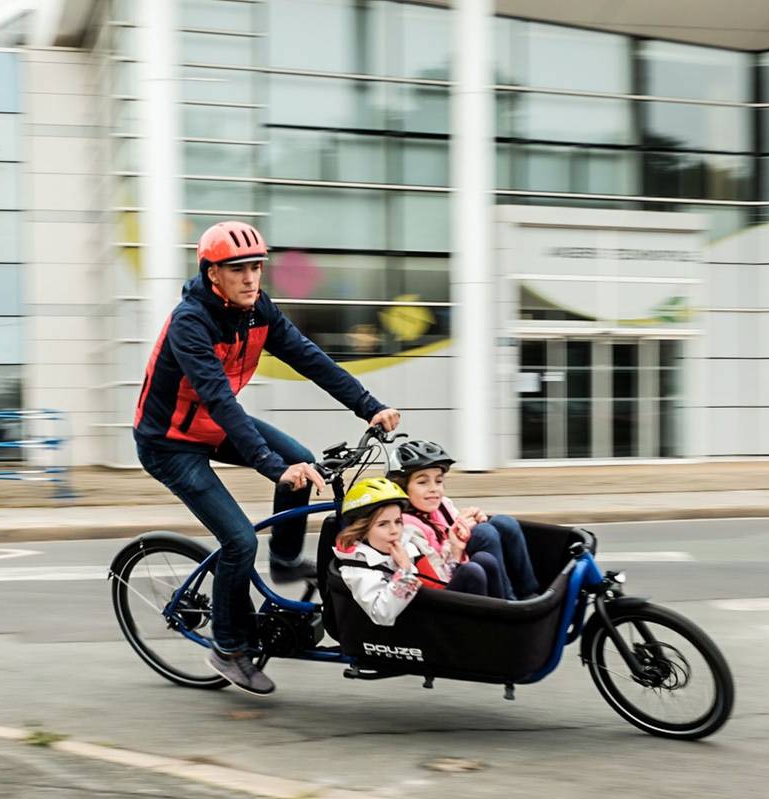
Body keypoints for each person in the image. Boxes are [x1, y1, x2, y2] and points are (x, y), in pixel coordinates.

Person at [133, 220, 401, 696]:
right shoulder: (190, 322)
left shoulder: (259, 311)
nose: (251, 277)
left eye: (257, 266)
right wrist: (272, 465)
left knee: (303, 458)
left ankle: (283, 559)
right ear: (212, 273)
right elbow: (218, 397)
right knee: (238, 541)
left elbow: (309, 358)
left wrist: (370, 406)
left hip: (214, 426)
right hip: (169, 441)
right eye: (238, 269)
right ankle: (229, 647)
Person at [332, 478, 504, 627]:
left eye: (398, 522)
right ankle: (488, 635)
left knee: (484, 560)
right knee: (471, 572)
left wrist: (455, 550)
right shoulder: (359, 567)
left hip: (433, 604)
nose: (394, 530)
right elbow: (382, 614)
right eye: (383, 524)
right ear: (361, 531)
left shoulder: (405, 544)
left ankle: (505, 623)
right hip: (419, 626)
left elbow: (439, 580)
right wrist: (405, 570)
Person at [387, 440, 540, 600]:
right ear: (402, 487)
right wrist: (455, 543)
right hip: (452, 580)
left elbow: (458, 527)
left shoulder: (443, 505)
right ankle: (509, 601)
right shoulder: (408, 528)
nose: (434, 488)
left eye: (438, 481)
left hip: (463, 559)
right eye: (423, 482)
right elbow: (439, 577)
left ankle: (529, 593)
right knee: (484, 533)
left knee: (503, 523)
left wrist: (473, 519)